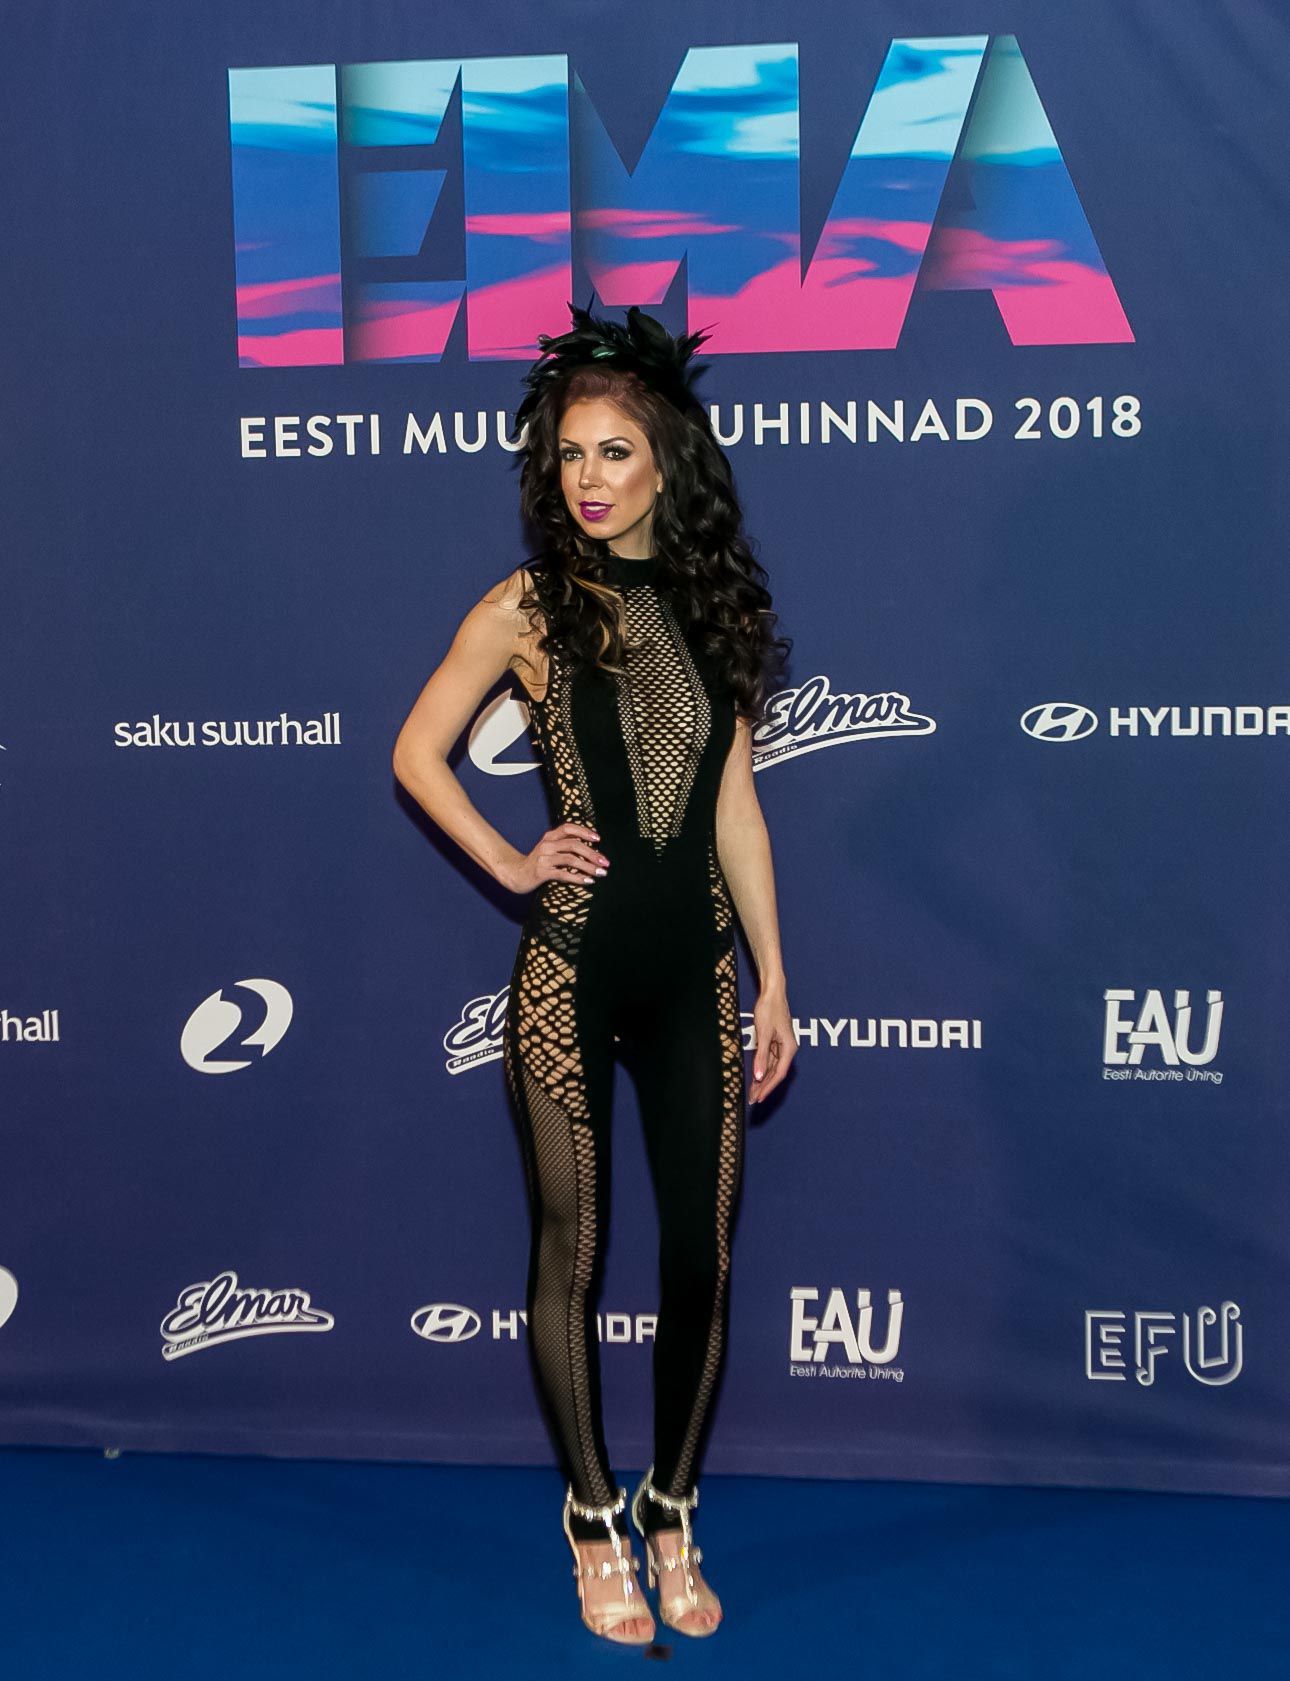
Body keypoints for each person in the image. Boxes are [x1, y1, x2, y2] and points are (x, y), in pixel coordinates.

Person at [392, 303, 796, 1644]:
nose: (588, 476)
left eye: (614, 451)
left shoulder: (717, 604)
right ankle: (589, 1517)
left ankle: (671, 1506)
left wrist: (776, 980)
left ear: (665, 462)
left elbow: (735, 805)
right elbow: (415, 752)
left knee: (701, 1258)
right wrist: (513, 862)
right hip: (570, 968)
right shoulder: (526, 606)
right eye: (569, 453)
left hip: (698, 974)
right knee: (571, 1254)